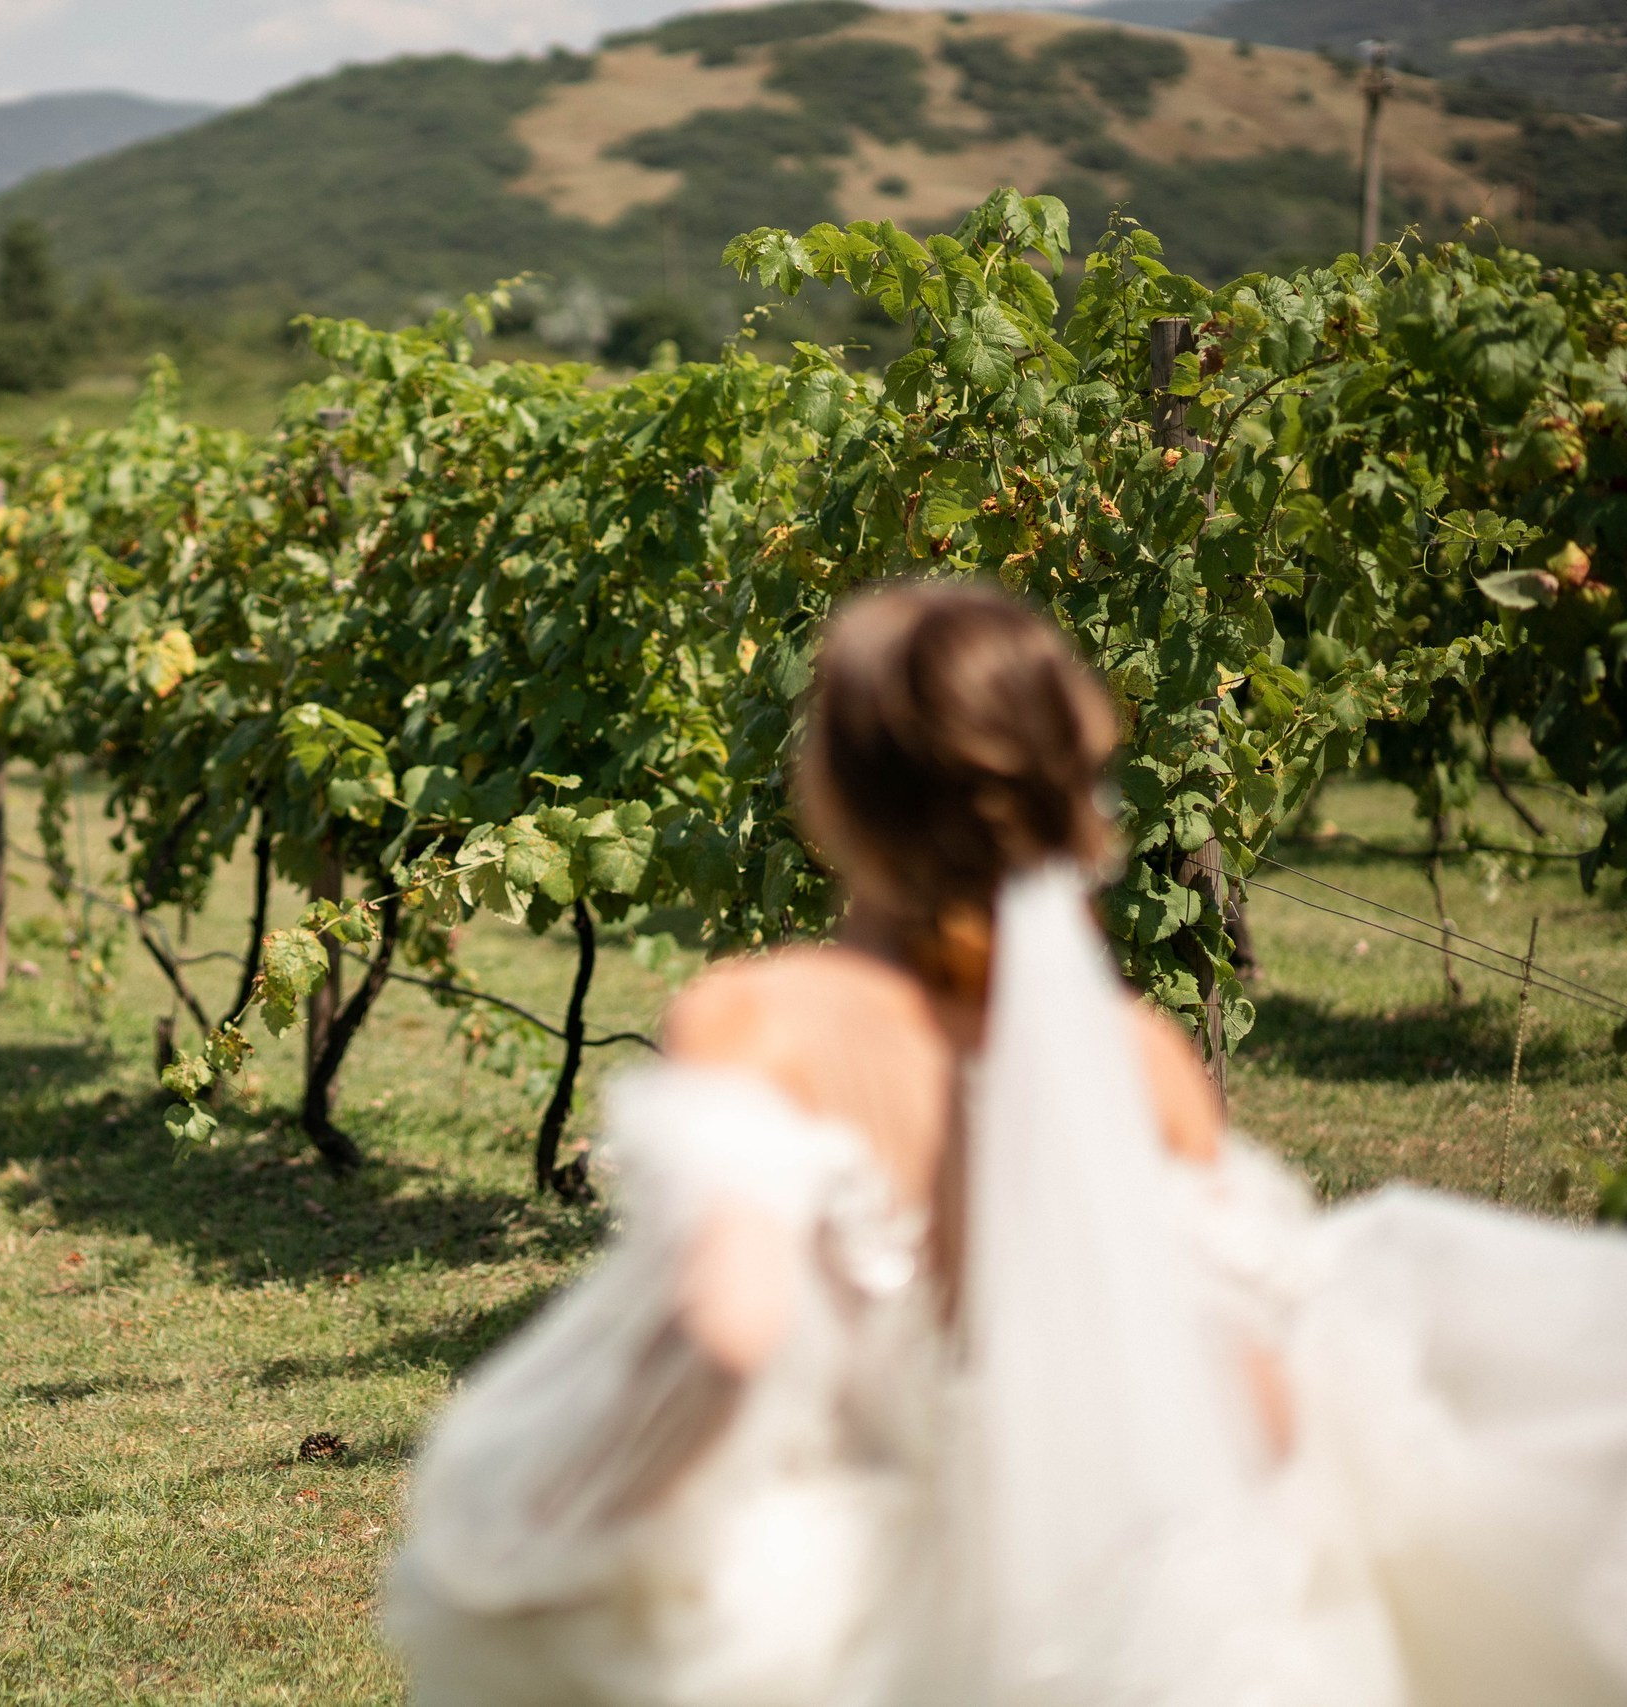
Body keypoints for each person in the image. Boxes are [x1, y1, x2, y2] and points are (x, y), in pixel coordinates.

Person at [387, 582, 1627, 1705]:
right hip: (1081, 1618)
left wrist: (556, 1524)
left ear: (835, 784)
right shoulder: (1136, 1059)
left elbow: (727, 1332)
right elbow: (1258, 1407)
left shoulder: (761, 1020)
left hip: (829, 1616)